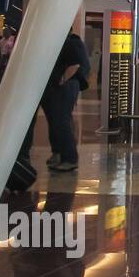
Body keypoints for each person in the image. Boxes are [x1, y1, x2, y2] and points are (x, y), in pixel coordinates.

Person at [44, 26, 91, 172]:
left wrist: (63, 79)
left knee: (61, 120)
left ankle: (70, 158)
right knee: (55, 120)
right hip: (58, 86)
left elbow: (78, 65)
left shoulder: (72, 42)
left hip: (66, 86)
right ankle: (58, 153)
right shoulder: (62, 42)